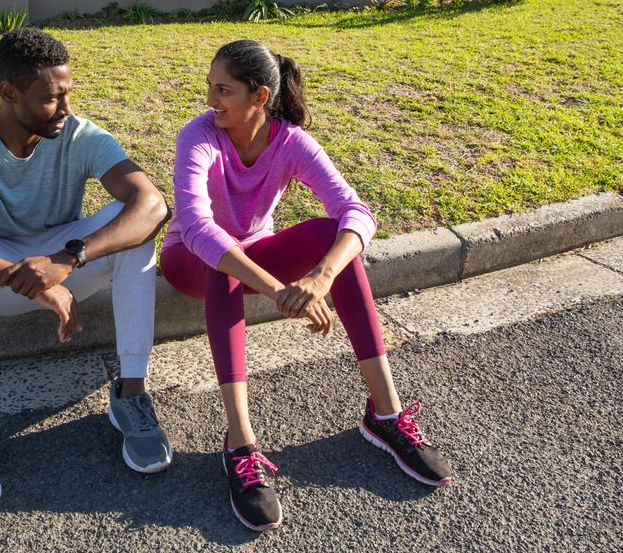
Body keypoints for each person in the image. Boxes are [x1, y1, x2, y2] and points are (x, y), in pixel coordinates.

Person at [160, 39, 453, 531]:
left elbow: (356, 212)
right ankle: (240, 443)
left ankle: (385, 413)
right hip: (189, 260)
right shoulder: (200, 135)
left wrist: (321, 277)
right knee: (221, 259)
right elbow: (196, 226)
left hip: (253, 253)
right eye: (210, 87)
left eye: (223, 89)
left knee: (327, 235)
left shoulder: (291, 142)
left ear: (260, 96)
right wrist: (278, 290)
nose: (211, 99)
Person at [0, 27, 173, 515]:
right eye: (52, 98)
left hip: (64, 260)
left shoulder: (79, 134)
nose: (66, 107)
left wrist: (66, 261)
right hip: (0, 269)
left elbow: (152, 204)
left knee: (137, 232)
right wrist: (26, 279)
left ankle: (131, 394)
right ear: (10, 93)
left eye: (68, 92)